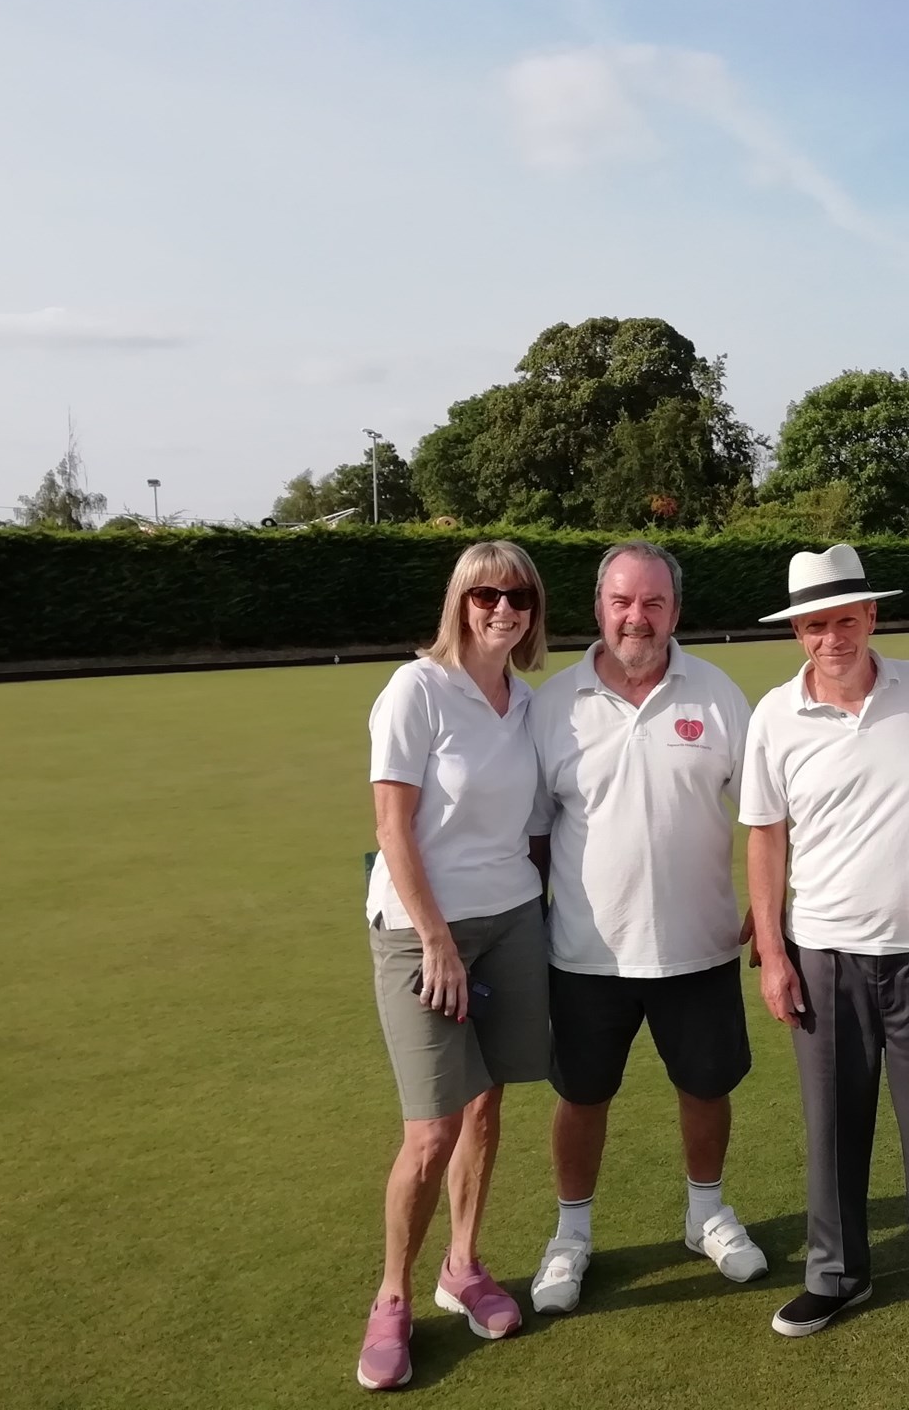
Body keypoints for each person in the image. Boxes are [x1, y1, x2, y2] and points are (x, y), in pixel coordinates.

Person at [741, 545, 909, 1350]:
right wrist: (774, 953)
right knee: (833, 1124)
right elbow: (764, 839)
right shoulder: (772, 717)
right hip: (823, 952)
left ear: (872, 618)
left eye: (846, 620)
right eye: (816, 624)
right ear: (799, 632)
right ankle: (836, 1273)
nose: (833, 638)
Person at [525, 539, 767, 1314]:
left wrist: (771, 903)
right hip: (585, 954)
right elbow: (531, 835)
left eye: (654, 602)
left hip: (698, 946)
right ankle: (571, 1235)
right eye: (623, 601)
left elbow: (767, 817)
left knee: (705, 1086)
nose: (638, 617)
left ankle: (706, 1215)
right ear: (599, 607)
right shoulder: (552, 707)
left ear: (675, 611)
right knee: (582, 1095)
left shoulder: (720, 695)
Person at [356, 541, 555, 1392]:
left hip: (512, 918)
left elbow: (542, 827)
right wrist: (435, 937)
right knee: (430, 1131)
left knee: (484, 1108)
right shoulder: (417, 690)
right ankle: (393, 1297)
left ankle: (463, 1265)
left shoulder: (527, 704)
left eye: (518, 598)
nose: (502, 610)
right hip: (421, 930)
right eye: (486, 597)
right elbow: (392, 830)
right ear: (460, 603)